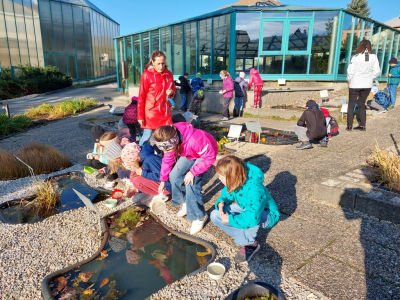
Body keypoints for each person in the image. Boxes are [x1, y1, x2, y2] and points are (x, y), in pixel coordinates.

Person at [210, 156, 279, 264]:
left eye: (221, 176)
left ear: (232, 177)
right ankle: (245, 235)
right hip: (248, 209)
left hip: (266, 215)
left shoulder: (255, 190)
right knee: (215, 215)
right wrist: (221, 202)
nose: (219, 179)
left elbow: (252, 218)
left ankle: (251, 244)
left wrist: (230, 219)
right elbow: (226, 195)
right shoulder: (235, 180)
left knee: (248, 220)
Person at [154, 122, 218, 235]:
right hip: (189, 152)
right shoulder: (169, 139)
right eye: (164, 150)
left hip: (204, 154)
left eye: (168, 150)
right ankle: (186, 203)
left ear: (175, 142)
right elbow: (167, 159)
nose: (166, 153)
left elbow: (210, 157)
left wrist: (193, 172)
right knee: (174, 175)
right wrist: (163, 180)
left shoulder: (195, 140)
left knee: (191, 183)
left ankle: (199, 216)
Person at [137, 50, 176, 146]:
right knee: (147, 136)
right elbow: (141, 96)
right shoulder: (146, 75)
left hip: (164, 111)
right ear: (153, 62)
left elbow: (173, 89)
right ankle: (139, 154)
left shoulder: (169, 74)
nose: (161, 66)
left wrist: (171, 92)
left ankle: (162, 156)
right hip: (150, 112)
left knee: (165, 136)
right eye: (158, 63)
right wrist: (140, 115)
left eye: (163, 63)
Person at [346, 39, 381, 131]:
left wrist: (349, 80)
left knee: (351, 104)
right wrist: (370, 77)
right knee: (362, 104)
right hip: (367, 84)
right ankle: (363, 125)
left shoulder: (356, 57)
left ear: (360, 46)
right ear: (369, 47)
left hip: (355, 83)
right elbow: (377, 71)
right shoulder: (374, 57)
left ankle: (349, 126)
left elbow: (350, 71)